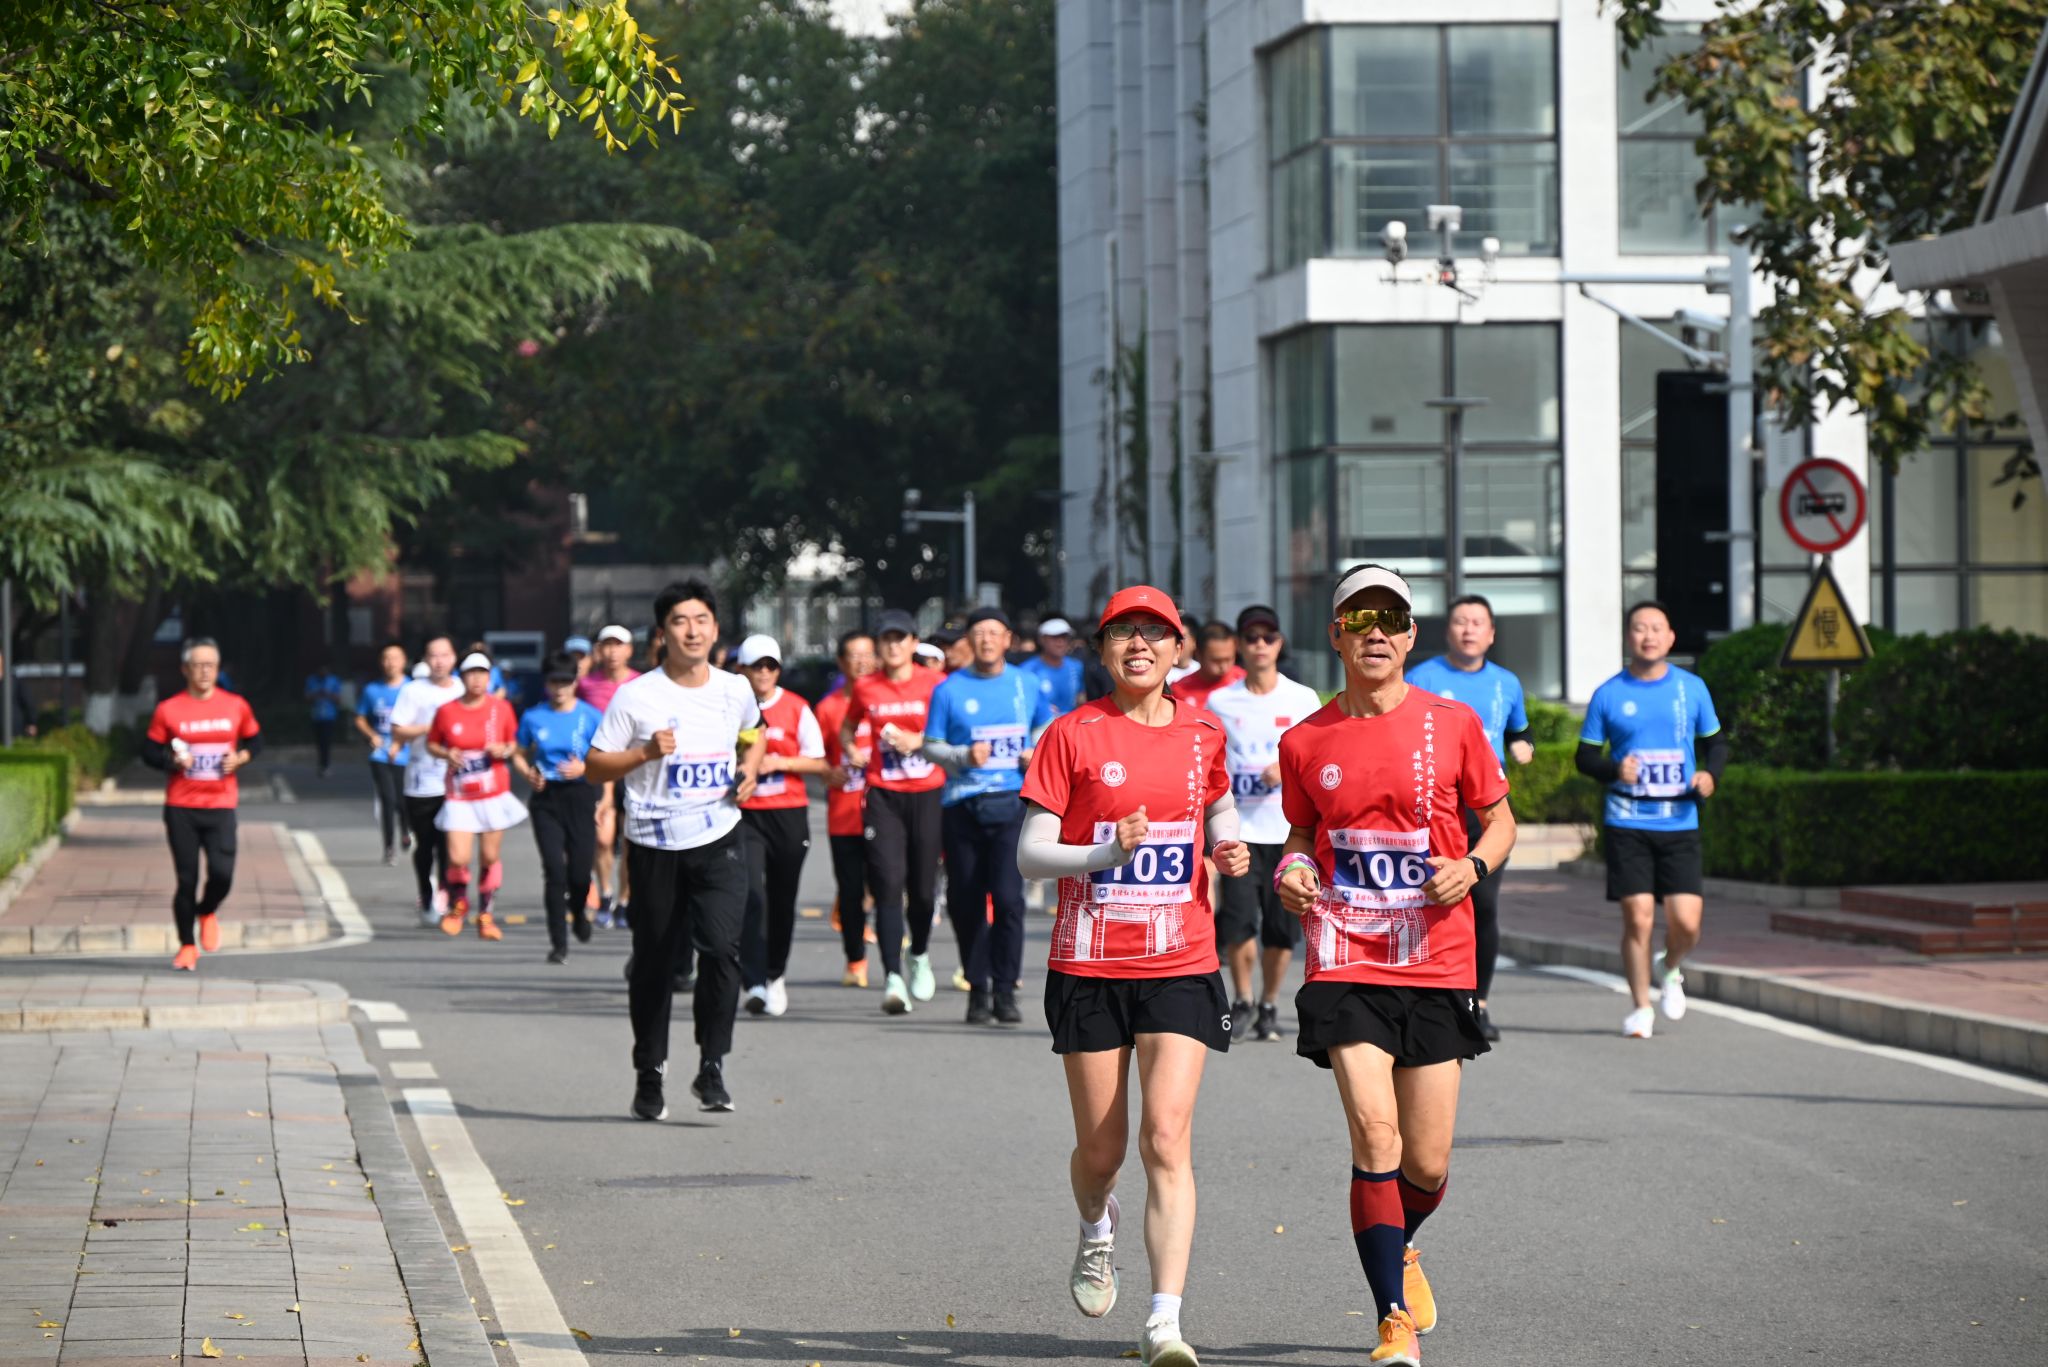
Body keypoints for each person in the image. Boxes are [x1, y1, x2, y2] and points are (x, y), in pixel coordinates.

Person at [1273, 563, 1516, 1366]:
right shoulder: (1305, 740)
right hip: (1346, 956)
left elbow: (1500, 821)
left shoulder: (1453, 723)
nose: (1375, 630)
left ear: (1410, 636)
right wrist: (1292, 870)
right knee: (1375, 1133)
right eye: (1358, 617)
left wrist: (1472, 867)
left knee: (1428, 1161)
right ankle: (1390, 1318)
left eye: (1391, 618)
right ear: (1336, 634)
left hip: (1437, 958)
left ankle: (1400, 1241)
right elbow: (1300, 835)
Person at [1016, 584, 1249, 1367]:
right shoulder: (1072, 734)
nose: (1139, 644)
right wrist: (1106, 852)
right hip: (1089, 960)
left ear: (1180, 649)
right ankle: (1096, 1226)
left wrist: (1228, 843)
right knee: (1103, 1151)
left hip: (1181, 958)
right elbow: (1030, 854)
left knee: (1166, 1135)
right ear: (1104, 650)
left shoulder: (1205, 731)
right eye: (1123, 632)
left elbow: (1216, 807)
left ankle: (1163, 1320)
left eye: (1155, 632)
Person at [585, 580, 762, 1119]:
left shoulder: (735, 689)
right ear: (662, 633)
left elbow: (755, 733)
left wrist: (750, 770)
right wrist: (643, 753)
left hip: (719, 836)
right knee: (655, 962)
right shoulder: (637, 696)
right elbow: (595, 765)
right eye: (680, 621)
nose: (692, 630)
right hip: (654, 843)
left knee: (722, 949)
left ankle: (712, 1066)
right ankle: (650, 1072)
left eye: (701, 620)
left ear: (715, 629)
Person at [1575, 600, 1726, 1040]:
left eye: (1657, 628)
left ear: (1670, 637)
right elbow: (1585, 757)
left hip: (1679, 820)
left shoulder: (1691, 688)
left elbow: (1717, 744)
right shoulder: (1609, 693)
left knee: (1687, 924)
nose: (1648, 636)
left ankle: (1671, 965)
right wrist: (1613, 769)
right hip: (1627, 821)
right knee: (1638, 917)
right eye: (1640, 628)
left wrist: (1710, 775)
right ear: (1629, 637)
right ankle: (1641, 1007)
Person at [1404, 596, 1534, 1043]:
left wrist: (1524, 746)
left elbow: (1520, 730)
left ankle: (1479, 1000)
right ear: (1448, 631)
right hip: (1434, 809)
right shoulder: (1422, 678)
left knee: (1484, 904)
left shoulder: (1507, 683)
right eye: (1461, 621)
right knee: (1432, 901)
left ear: (1491, 634)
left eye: (1478, 622)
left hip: (1485, 809)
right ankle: (1428, 992)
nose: (1469, 629)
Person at [921, 607, 1054, 1025]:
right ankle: (977, 988)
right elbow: (930, 745)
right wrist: (963, 756)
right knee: (966, 901)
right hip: (962, 805)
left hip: (1011, 803)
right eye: (979, 633)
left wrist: (1034, 750)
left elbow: (1046, 726)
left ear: (1007, 639)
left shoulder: (1025, 683)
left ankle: (1005, 989)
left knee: (1010, 899)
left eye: (994, 633)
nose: (986, 640)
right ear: (969, 641)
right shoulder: (949, 690)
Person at [1203, 604, 1323, 1043]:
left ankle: (1270, 1002)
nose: (1259, 645)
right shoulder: (1221, 702)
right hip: (1240, 831)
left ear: (1279, 643)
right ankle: (1243, 997)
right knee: (1237, 921)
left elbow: (1321, 758)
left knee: (1280, 929)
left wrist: (1286, 769)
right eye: (1251, 638)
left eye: (1267, 637)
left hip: (1289, 832)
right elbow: (1209, 760)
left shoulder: (1302, 699)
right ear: (1240, 645)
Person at [840, 609, 947, 1014]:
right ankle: (892, 977)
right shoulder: (866, 687)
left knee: (922, 890)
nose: (893, 645)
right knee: (887, 883)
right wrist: (851, 748)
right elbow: (848, 726)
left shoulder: (936, 683)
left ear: (914, 643)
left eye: (901, 638)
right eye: (886, 639)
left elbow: (953, 732)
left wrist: (918, 741)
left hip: (928, 792)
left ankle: (918, 952)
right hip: (883, 795)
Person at [140, 637, 262, 971]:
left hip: (221, 803)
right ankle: (187, 946)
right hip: (182, 805)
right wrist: (171, 761)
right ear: (185, 669)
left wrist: (241, 757)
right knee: (186, 879)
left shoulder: (235, 705)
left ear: (218, 669)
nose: (205, 671)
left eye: (211, 665)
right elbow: (148, 751)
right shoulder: (169, 709)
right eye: (198, 665)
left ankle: (206, 910)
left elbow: (256, 740)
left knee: (222, 874)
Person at [733, 634, 830, 1017]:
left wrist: (779, 763)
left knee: (782, 899)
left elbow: (818, 761)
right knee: (751, 895)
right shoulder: (727, 705)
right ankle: (753, 980)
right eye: (756, 666)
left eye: (770, 666)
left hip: (788, 813)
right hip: (744, 814)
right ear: (741, 669)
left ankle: (775, 974)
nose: (764, 673)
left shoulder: (795, 707)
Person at [425, 652, 527, 941]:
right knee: (457, 857)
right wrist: (447, 753)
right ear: (462, 677)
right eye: (471, 673)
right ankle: (459, 904)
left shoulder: (501, 708)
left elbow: (514, 744)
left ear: (489, 677)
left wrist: (504, 750)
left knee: (490, 856)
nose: (477, 679)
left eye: (482, 673)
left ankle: (486, 914)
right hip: (459, 795)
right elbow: (432, 744)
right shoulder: (447, 711)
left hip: (493, 793)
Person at [516, 652, 604, 963]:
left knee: (579, 873)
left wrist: (586, 769)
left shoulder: (591, 716)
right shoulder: (533, 716)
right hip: (547, 798)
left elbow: (606, 757)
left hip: (581, 795)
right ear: (546, 683)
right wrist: (528, 773)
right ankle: (558, 943)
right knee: (554, 871)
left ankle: (578, 912)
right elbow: (518, 752)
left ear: (575, 682)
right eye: (554, 682)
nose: (560, 688)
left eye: (566, 682)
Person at [814, 630, 878, 986]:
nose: (862, 661)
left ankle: (899, 958)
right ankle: (855, 960)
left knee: (889, 885)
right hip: (844, 816)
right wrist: (828, 772)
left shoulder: (888, 703)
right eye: (854, 655)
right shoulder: (827, 708)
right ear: (841, 662)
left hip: (889, 813)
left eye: (868, 654)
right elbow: (814, 757)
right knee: (851, 891)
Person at [388, 636, 464, 927]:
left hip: (456, 781)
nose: (439, 661)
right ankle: (426, 892)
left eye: (444, 655)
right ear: (425, 660)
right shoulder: (413, 691)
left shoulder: (461, 689)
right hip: (421, 780)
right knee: (426, 844)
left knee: (450, 844)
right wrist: (430, 727)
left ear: (453, 658)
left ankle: (447, 893)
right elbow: (398, 730)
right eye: (433, 656)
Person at [579, 624, 642, 927]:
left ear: (629, 650)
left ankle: (625, 900)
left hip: (633, 768)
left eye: (619, 645)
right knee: (603, 839)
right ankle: (605, 893)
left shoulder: (642, 683)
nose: (613, 651)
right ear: (598, 651)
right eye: (607, 645)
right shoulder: (586, 685)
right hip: (601, 768)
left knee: (630, 840)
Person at [355, 642, 412, 866]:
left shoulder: (412, 689)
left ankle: (406, 829)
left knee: (403, 799)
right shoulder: (372, 690)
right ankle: (389, 847)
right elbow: (360, 718)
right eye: (386, 658)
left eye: (395, 658)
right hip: (380, 753)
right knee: (387, 799)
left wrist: (404, 739)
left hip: (407, 753)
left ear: (403, 661)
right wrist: (372, 736)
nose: (391, 663)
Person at [1170, 622, 1244, 711]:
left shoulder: (1244, 681)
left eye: (1228, 659)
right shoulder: (1179, 690)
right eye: (1216, 660)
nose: (1223, 666)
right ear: (1199, 655)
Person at [1020, 617, 1086, 717]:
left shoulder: (1076, 667)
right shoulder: (1027, 669)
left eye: (1064, 637)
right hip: (1042, 724)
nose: (1060, 642)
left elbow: (1081, 697)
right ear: (1042, 639)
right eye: (1054, 637)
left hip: (1071, 722)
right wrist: (1042, 709)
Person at [304, 661, 343, 777]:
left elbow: (339, 699)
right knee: (319, 742)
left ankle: (325, 765)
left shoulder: (334, 680)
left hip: (329, 716)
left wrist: (328, 694)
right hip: (316, 716)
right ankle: (321, 764)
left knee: (326, 742)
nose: (322, 672)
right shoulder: (311, 680)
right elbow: (307, 697)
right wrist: (316, 694)